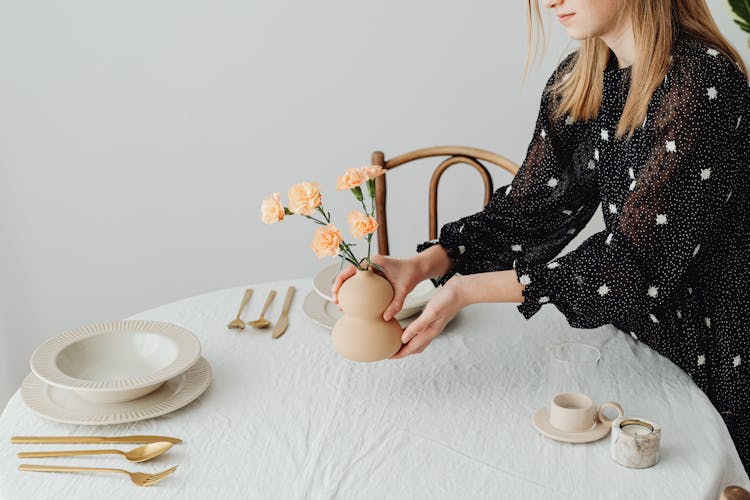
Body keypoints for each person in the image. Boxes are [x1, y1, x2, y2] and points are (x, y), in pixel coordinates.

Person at [332, 0, 750, 474]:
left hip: (717, 365)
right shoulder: (586, 74)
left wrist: (467, 290)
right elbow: (532, 211)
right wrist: (427, 263)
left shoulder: (703, 83)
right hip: (640, 352)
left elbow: (632, 265)